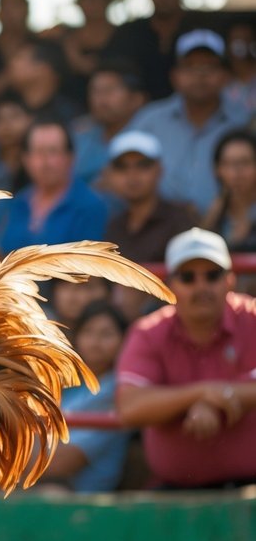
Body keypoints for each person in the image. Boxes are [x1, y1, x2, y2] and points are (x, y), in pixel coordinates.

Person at [117, 229, 256, 489]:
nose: (201, 287)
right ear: (169, 285)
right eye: (188, 277)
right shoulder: (148, 332)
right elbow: (130, 407)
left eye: (212, 275)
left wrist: (215, 398)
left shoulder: (253, 318)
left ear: (230, 280)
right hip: (174, 492)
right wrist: (204, 394)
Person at [127, 29, 251, 214]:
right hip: (158, 232)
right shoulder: (149, 121)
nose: (200, 75)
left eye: (209, 67)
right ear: (174, 76)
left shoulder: (244, 122)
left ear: (225, 76)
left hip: (229, 231)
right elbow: (116, 173)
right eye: (190, 66)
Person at [42, 300, 132, 492]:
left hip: (81, 495)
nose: (95, 341)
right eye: (88, 332)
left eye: (106, 334)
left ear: (124, 340)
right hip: (40, 479)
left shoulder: (118, 389)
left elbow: (62, 463)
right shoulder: (67, 383)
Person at [0, 121, 109, 255]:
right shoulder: (18, 201)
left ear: (70, 157)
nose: (46, 162)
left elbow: (91, 269)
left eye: (53, 152)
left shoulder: (90, 205)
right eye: (38, 152)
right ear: (25, 159)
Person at [103, 130, 196, 266]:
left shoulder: (182, 218)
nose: (132, 175)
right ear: (110, 174)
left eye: (143, 165)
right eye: (122, 167)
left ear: (159, 169)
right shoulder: (114, 226)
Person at [101, 0, 193, 101]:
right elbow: (112, 68)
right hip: (137, 109)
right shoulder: (130, 32)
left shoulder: (195, 28)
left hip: (192, 105)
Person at [71, 63, 147, 187]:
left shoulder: (147, 138)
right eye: (95, 90)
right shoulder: (79, 133)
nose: (101, 98)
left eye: (110, 90)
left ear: (136, 99)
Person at [60, 0, 115, 108]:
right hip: (75, 107)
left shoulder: (123, 35)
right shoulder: (68, 37)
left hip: (114, 107)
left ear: (107, 1)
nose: (93, 3)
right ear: (79, 4)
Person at [201, 129, 256, 255]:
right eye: (228, 164)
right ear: (217, 170)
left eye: (245, 162)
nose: (237, 172)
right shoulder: (213, 214)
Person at [7, 38, 82, 126]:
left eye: (19, 57)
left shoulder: (72, 118)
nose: (11, 63)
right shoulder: (9, 112)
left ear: (43, 69)